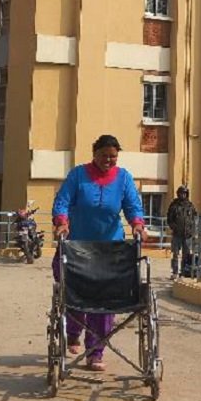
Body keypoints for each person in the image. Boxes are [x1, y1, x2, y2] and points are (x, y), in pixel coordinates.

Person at [52, 134, 146, 372]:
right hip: (78, 247)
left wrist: (137, 224)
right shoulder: (78, 175)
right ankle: (73, 332)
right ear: (94, 153)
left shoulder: (123, 178)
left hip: (109, 248)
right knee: (75, 291)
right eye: (104, 155)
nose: (108, 160)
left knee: (105, 300)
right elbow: (62, 201)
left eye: (113, 156)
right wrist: (61, 222)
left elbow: (133, 205)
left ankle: (95, 352)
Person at [167, 185, 197, 280]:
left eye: (184, 193)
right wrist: (174, 227)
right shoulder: (174, 205)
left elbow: (194, 219)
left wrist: (192, 230)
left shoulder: (190, 206)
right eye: (181, 193)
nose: (182, 195)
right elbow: (169, 219)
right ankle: (175, 272)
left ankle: (183, 272)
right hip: (177, 234)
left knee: (186, 255)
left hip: (187, 235)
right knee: (175, 254)